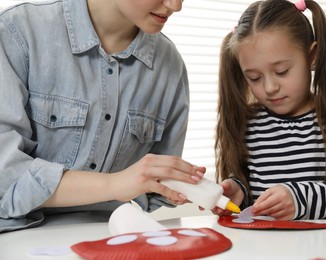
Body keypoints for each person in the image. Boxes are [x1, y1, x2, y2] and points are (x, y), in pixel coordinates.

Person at [0, 0, 206, 233]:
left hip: (114, 240)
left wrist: (185, 187)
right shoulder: (17, 31)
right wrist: (114, 184)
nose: (175, 5)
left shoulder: (170, 66)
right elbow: (5, 174)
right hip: (17, 240)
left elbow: (155, 189)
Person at [214, 0, 326, 222]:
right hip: (267, 249)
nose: (269, 88)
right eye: (254, 78)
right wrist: (237, 191)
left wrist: (299, 200)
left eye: (282, 71)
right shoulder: (249, 124)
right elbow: (251, 190)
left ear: (312, 56)